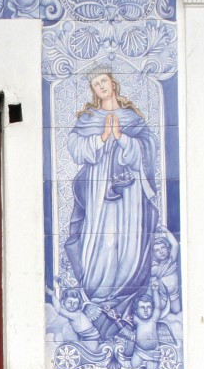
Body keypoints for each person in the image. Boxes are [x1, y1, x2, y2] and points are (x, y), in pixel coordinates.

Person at [63, 69, 160, 319]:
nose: (101, 87)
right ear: (93, 91)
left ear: (113, 83)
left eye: (103, 81)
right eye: (95, 84)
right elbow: (74, 146)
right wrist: (102, 137)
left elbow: (149, 147)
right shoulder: (88, 118)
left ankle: (124, 292)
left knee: (126, 240)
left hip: (130, 195)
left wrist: (122, 138)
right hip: (98, 192)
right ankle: (97, 291)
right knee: (102, 239)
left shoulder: (132, 118)